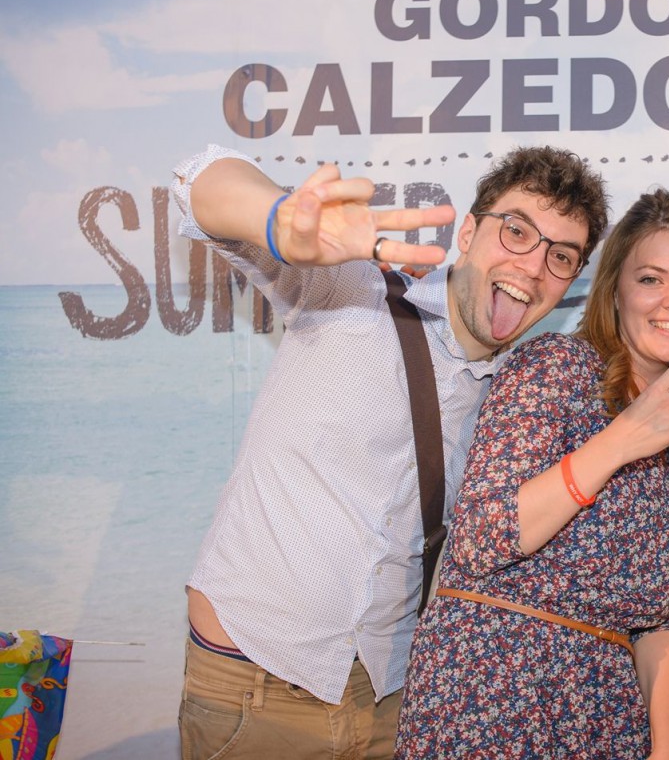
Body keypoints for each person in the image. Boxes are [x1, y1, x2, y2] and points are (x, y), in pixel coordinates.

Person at [172, 144, 608, 760]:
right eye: (516, 231)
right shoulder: (354, 289)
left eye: (560, 256)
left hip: (391, 701)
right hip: (253, 680)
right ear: (468, 232)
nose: (533, 266)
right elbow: (196, 179)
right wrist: (276, 219)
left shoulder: (521, 403)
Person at [395, 190, 669, 759]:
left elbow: (663, 612)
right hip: (491, 701)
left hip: (604, 718)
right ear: (615, 289)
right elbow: (483, 535)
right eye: (651, 279)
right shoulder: (557, 366)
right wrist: (619, 441)